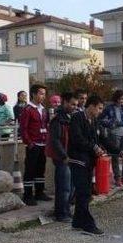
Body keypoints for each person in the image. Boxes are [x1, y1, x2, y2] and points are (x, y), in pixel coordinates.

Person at [68, 95, 123, 234]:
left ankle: (77, 222)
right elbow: (77, 138)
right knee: (85, 193)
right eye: (99, 108)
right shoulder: (77, 118)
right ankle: (88, 225)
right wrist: (93, 147)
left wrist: (120, 152)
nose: (101, 111)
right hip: (78, 160)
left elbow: (104, 140)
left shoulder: (95, 121)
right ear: (91, 106)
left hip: (88, 161)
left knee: (82, 193)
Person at [47, 92, 78, 222]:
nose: (74, 107)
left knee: (71, 187)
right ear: (65, 102)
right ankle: (61, 213)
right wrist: (64, 155)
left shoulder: (70, 118)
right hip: (62, 158)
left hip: (71, 157)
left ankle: (66, 210)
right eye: (72, 104)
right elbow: (55, 140)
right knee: (64, 187)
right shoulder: (58, 120)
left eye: (76, 105)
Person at [19, 84, 51, 206]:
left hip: (43, 144)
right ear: (33, 94)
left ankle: (39, 192)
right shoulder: (28, 109)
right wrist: (29, 142)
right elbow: (23, 128)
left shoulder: (43, 109)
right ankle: (27, 195)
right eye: (41, 93)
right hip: (33, 144)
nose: (43, 96)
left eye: (44, 94)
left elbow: (46, 125)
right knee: (30, 169)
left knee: (40, 169)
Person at [100, 90, 123, 186]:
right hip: (113, 135)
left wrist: (118, 123)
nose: (121, 101)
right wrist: (110, 124)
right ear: (115, 98)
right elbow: (101, 119)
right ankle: (117, 178)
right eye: (119, 99)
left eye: (122, 99)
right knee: (115, 157)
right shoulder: (109, 108)